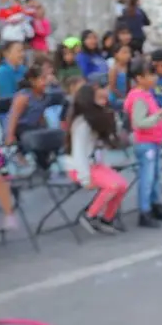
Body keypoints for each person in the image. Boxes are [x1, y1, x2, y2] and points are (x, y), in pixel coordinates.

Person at [64, 83, 129, 234]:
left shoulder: (98, 118)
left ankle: (107, 218)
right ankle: (89, 215)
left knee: (122, 185)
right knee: (112, 186)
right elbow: (78, 152)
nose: (104, 101)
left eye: (104, 98)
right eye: (99, 98)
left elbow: (101, 146)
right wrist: (85, 178)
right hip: (78, 167)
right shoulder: (81, 123)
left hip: (95, 165)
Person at [125, 55, 162, 228]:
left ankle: (155, 204)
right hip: (145, 143)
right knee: (147, 177)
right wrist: (157, 116)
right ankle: (144, 211)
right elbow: (139, 123)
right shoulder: (138, 97)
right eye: (150, 75)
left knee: (155, 175)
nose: (154, 78)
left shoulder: (146, 94)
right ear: (139, 78)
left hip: (154, 140)